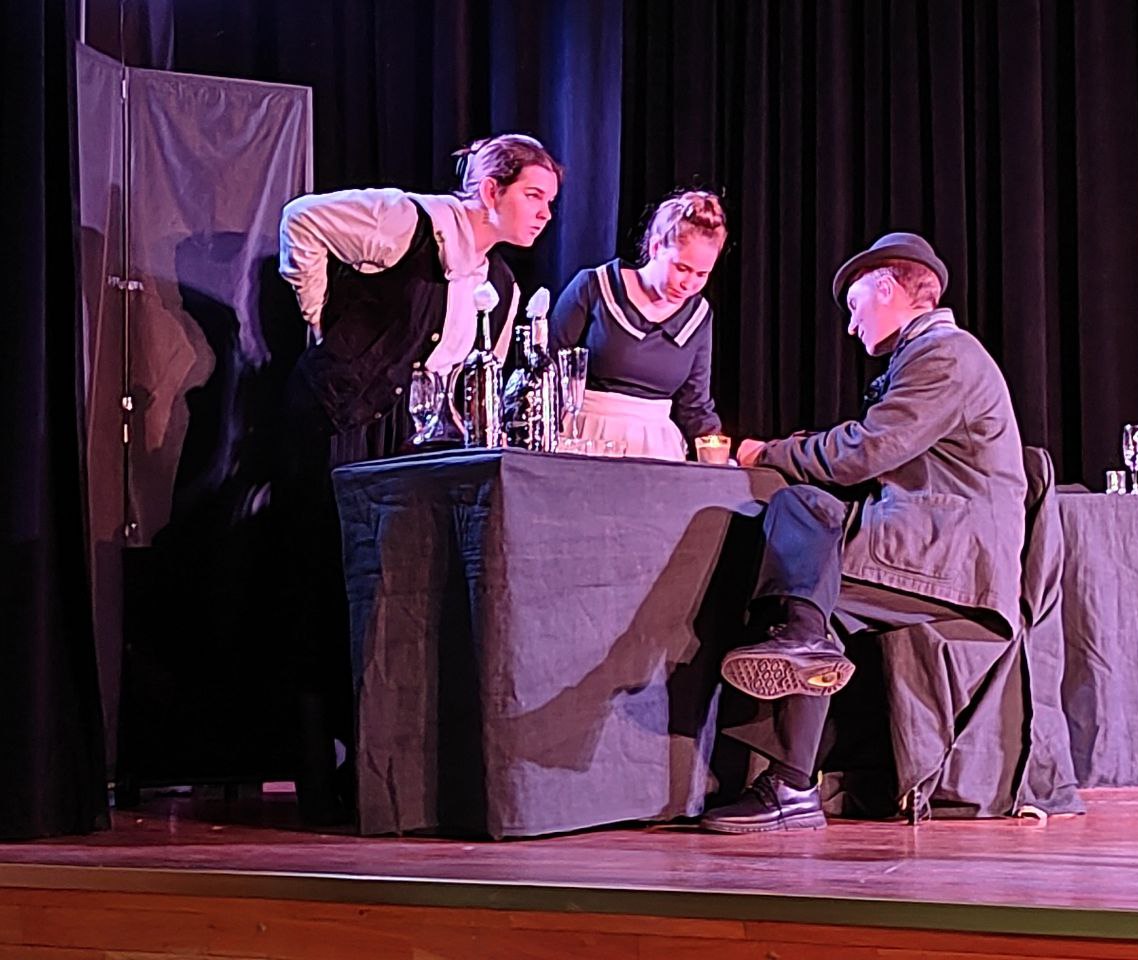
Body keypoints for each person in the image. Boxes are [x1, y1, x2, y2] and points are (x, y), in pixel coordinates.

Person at [274, 134, 563, 824]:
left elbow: (465, 379)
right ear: (490, 190)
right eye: (533, 196)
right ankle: (314, 781)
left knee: (381, 599)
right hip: (338, 422)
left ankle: (372, 777)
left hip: (403, 441)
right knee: (322, 587)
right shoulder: (410, 222)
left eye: (550, 202)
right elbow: (301, 217)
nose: (545, 213)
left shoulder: (500, 286)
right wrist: (319, 317)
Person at [700, 232, 1028, 833]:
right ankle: (802, 652)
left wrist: (768, 452)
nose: (851, 327)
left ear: (887, 288)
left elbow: (866, 450)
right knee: (803, 527)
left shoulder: (945, 356)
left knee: (801, 574)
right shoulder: (926, 358)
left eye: (855, 307)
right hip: (922, 538)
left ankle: (791, 775)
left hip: (949, 554)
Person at [548, 190, 727, 460]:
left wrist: (717, 458)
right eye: (681, 268)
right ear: (656, 248)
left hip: (656, 448)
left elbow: (695, 405)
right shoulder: (594, 287)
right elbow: (548, 370)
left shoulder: (698, 315)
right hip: (587, 437)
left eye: (702, 274)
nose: (689, 284)